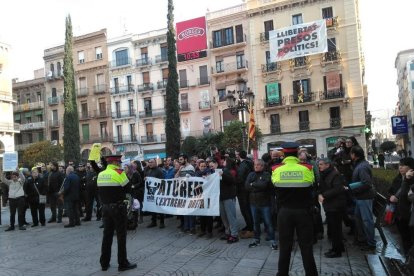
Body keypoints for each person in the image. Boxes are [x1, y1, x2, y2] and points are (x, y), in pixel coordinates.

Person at [272, 142, 318, 276]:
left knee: (285, 246)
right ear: (297, 153)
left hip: (284, 213)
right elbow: (312, 184)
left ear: (284, 154)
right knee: (306, 247)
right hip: (303, 212)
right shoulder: (307, 168)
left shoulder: (276, 169)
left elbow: (274, 185)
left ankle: (282, 273)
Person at [97, 155, 137, 272]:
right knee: (121, 235)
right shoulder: (119, 173)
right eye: (119, 162)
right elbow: (129, 189)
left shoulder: (101, 174)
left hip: (105, 208)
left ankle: (104, 263)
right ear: (115, 162)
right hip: (118, 208)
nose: (120, 164)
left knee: (107, 235)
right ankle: (122, 263)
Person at [245, 159, 278, 250]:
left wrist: (253, 185)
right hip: (253, 203)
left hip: (265, 203)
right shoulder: (251, 174)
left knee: (268, 223)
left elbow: (264, 185)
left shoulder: (266, 174)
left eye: (258, 165)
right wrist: (255, 185)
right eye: (255, 164)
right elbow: (246, 186)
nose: (256, 166)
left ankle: (272, 241)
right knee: (255, 223)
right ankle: (256, 239)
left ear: (263, 166)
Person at [317, 158, 347, 258]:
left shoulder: (335, 174)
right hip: (330, 205)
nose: (319, 166)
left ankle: (336, 251)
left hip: (336, 205)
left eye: (321, 164)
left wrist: (324, 195)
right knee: (334, 228)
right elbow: (321, 187)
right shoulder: (325, 174)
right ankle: (339, 247)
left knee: (335, 228)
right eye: (319, 164)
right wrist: (320, 193)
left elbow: (338, 189)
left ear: (327, 165)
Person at [349, 145, 376, 251]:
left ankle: (371, 243)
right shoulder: (360, 164)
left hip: (364, 197)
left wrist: (352, 187)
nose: (350, 156)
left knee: (366, 220)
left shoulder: (362, 166)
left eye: (351, 153)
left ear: (354, 155)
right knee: (358, 218)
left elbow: (366, 183)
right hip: (361, 197)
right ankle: (363, 240)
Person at [388, 157, 414, 254]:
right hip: (399, 215)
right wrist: (391, 197)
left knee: (409, 238)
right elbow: (389, 192)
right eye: (400, 165)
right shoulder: (398, 179)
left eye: (403, 165)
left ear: (411, 168)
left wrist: (407, 179)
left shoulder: (411, 180)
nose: (400, 167)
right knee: (404, 238)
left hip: (409, 215)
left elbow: (405, 195)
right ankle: (407, 258)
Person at [235, 150, 254, 239]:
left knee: (245, 209)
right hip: (246, 190)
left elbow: (240, 178)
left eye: (236, 154)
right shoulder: (249, 162)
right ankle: (249, 225)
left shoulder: (243, 165)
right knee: (247, 209)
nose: (235, 156)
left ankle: (250, 227)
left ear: (239, 155)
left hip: (243, 190)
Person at [145, 158, 165, 228]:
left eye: (151, 162)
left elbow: (162, 181)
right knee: (152, 207)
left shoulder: (159, 171)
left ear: (155, 163)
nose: (150, 163)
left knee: (160, 207)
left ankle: (162, 222)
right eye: (149, 162)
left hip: (158, 191)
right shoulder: (148, 170)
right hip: (151, 192)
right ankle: (153, 222)